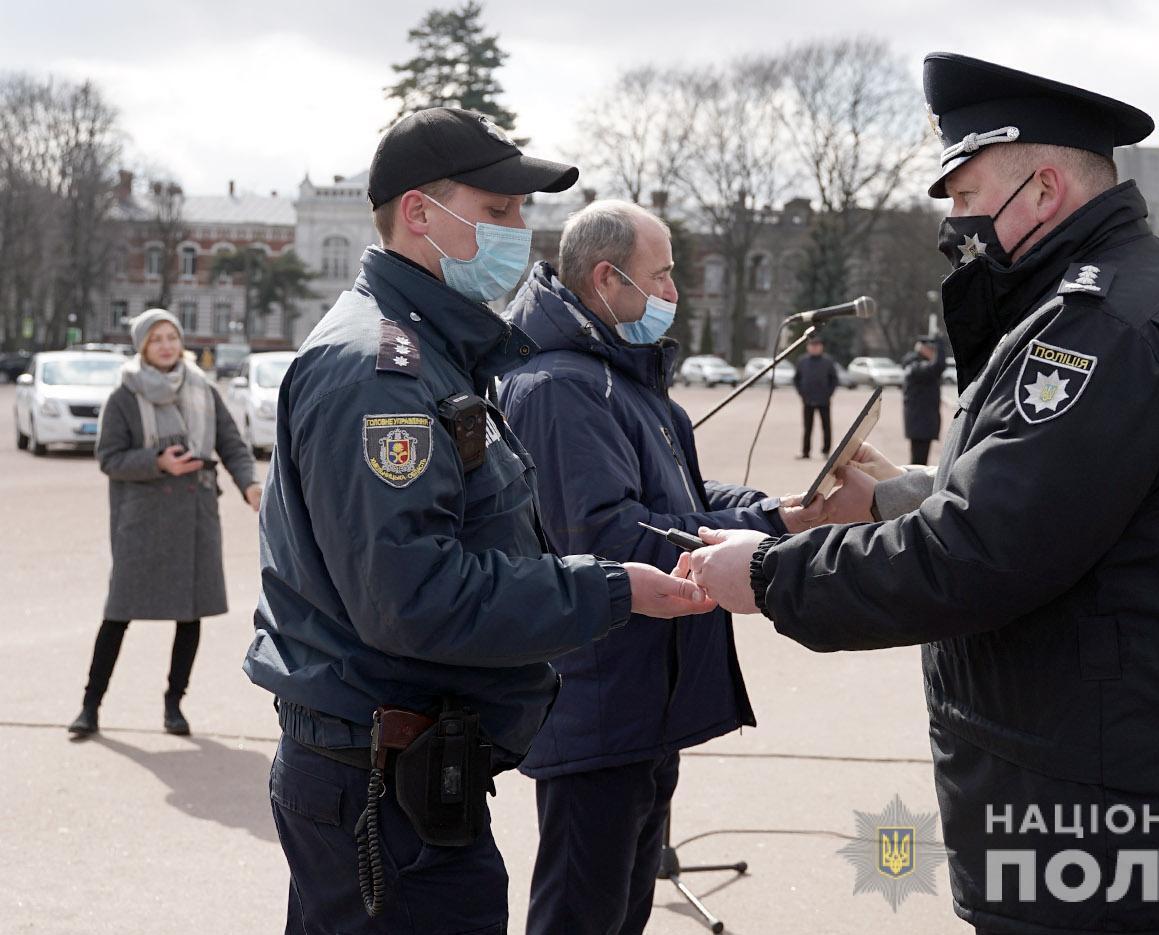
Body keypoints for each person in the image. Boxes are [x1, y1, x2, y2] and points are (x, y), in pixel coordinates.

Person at [688, 53, 1159, 934]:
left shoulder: (1097, 330)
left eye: (968, 196)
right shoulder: (1128, 296)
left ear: (1042, 189)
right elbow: (1071, 504)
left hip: (1107, 817)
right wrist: (900, 498)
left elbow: (981, 552)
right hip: (1142, 781)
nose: (956, 224)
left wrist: (773, 574)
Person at [242, 108, 714, 934]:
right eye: (497, 212)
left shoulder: (431, 351)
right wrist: (608, 589)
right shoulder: (379, 372)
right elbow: (414, 596)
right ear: (420, 212)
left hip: (406, 770)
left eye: (521, 212)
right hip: (380, 780)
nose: (520, 233)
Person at [499, 198, 824, 934]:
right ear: (609, 280)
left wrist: (778, 512)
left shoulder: (620, 375)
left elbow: (684, 495)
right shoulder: (558, 388)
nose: (676, 291)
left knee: (621, 911)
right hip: (598, 701)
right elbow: (615, 532)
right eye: (664, 274)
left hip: (644, 696)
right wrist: (750, 535)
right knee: (583, 913)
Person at [69, 308, 260, 739]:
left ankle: (175, 704)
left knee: (190, 615)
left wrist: (250, 484)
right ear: (142, 347)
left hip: (195, 519)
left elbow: (232, 444)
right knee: (118, 614)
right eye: (156, 339)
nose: (167, 345)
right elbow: (109, 457)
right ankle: (90, 705)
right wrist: (158, 462)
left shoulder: (202, 389)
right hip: (142, 520)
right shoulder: (125, 395)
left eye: (171, 336)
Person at [901, 334, 948, 464]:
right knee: (918, 463)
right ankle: (913, 484)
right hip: (920, 423)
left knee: (919, 461)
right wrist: (940, 344)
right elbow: (938, 367)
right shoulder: (916, 366)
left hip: (922, 422)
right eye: (932, 349)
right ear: (923, 349)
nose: (934, 353)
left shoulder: (915, 364)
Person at [793, 334, 837, 458]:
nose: (814, 348)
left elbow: (834, 379)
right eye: (812, 345)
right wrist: (802, 393)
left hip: (824, 400)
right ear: (808, 347)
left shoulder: (828, 361)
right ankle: (805, 452)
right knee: (807, 427)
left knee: (826, 426)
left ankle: (826, 451)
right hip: (808, 400)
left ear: (821, 347)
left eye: (817, 345)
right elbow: (796, 379)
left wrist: (828, 393)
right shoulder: (802, 361)